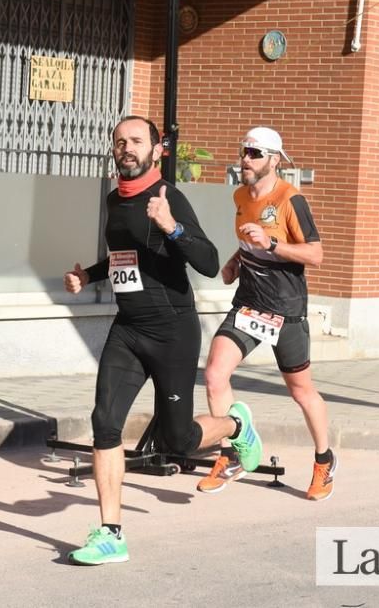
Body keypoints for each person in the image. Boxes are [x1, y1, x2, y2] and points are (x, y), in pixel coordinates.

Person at [63, 116, 263, 565]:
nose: (126, 148)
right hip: (129, 329)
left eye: (136, 141)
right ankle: (111, 534)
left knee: (178, 441)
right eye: (120, 142)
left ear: (158, 150)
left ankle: (235, 426)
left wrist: (172, 226)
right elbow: (123, 257)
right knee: (105, 422)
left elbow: (210, 262)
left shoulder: (169, 197)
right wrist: (87, 275)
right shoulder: (115, 200)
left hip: (173, 329)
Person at [198, 126, 335, 501]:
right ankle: (232, 453)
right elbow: (248, 240)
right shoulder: (240, 195)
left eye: (255, 154)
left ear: (274, 160)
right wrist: (235, 261)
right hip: (248, 303)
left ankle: (324, 459)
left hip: (286, 311)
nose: (246, 159)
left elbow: (316, 255)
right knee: (213, 375)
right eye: (244, 151)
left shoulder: (292, 200)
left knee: (301, 391)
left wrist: (272, 242)